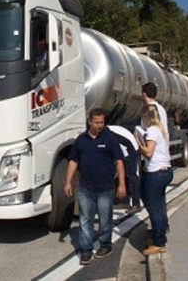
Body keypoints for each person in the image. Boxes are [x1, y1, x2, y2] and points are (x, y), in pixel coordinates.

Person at [64, 109, 126, 266]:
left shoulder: (109, 139)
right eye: (97, 122)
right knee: (85, 220)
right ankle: (86, 251)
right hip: (86, 188)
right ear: (89, 122)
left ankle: (105, 245)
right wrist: (68, 182)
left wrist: (122, 185)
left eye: (102, 122)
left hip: (105, 188)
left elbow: (119, 161)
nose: (100, 126)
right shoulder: (81, 140)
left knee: (105, 220)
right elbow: (73, 161)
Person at [135, 105, 173, 256]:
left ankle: (158, 242)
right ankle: (161, 233)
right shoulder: (161, 129)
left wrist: (138, 143)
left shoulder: (151, 130)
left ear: (146, 117)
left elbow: (149, 152)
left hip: (156, 173)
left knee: (154, 207)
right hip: (165, 170)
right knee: (160, 204)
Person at [107, 125, 142, 214]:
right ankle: (122, 200)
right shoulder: (103, 133)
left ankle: (136, 204)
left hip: (130, 149)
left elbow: (124, 147)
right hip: (124, 147)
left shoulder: (110, 135)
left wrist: (122, 161)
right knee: (120, 174)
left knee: (131, 175)